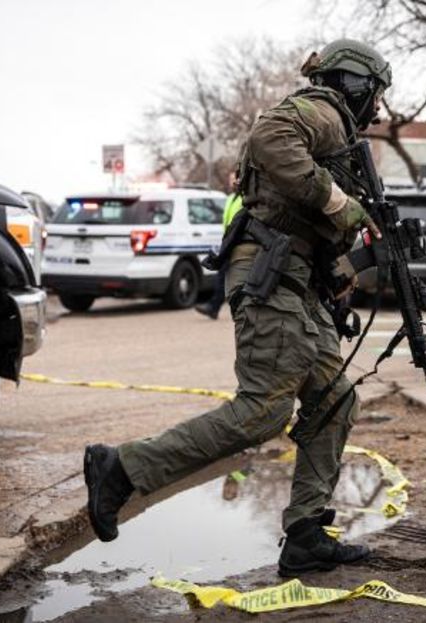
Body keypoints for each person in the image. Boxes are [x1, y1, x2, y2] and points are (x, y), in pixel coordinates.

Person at [83, 39, 391, 577]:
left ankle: (305, 534)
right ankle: (123, 467)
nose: (378, 109)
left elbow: (308, 217)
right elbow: (271, 137)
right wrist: (341, 205)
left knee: (334, 400)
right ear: (356, 84)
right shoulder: (321, 111)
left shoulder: (336, 132)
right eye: (376, 94)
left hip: (298, 282)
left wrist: (344, 268)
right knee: (262, 412)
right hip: (272, 275)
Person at [195, 170, 244, 320]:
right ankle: (214, 307)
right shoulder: (230, 199)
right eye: (230, 179)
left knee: (225, 276)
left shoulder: (245, 199)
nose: (232, 182)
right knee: (223, 276)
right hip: (227, 242)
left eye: (234, 179)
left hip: (238, 242)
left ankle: (214, 306)